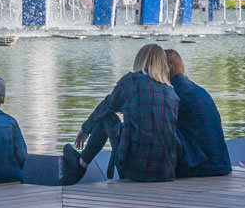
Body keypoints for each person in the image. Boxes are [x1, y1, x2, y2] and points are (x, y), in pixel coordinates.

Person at [61, 43, 182, 184]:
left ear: (140, 60)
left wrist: (85, 128)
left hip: (134, 169)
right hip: (166, 171)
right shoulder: (172, 93)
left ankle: (81, 165)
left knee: (107, 117)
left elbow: (108, 105)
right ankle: (81, 164)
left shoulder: (131, 80)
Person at [165, 49, 231, 177]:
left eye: (156, 67)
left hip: (201, 167)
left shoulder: (173, 93)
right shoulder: (197, 89)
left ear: (169, 67)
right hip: (220, 163)